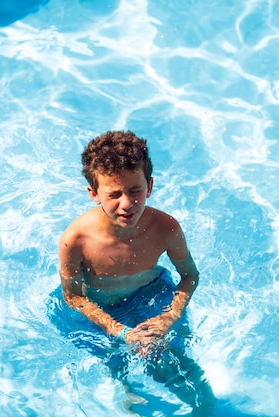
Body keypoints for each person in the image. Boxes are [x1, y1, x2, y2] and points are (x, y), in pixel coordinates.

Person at [58, 130, 201, 352]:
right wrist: (119, 330)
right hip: (101, 307)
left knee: (174, 354)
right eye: (114, 194)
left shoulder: (166, 228)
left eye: (135, 190)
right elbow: (74, 297)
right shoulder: (76, 240)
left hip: (151, 292)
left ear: (150, 187)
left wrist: (170, 316)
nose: (127, 203)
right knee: (119, 367)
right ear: (94, 194)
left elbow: (190, 275)